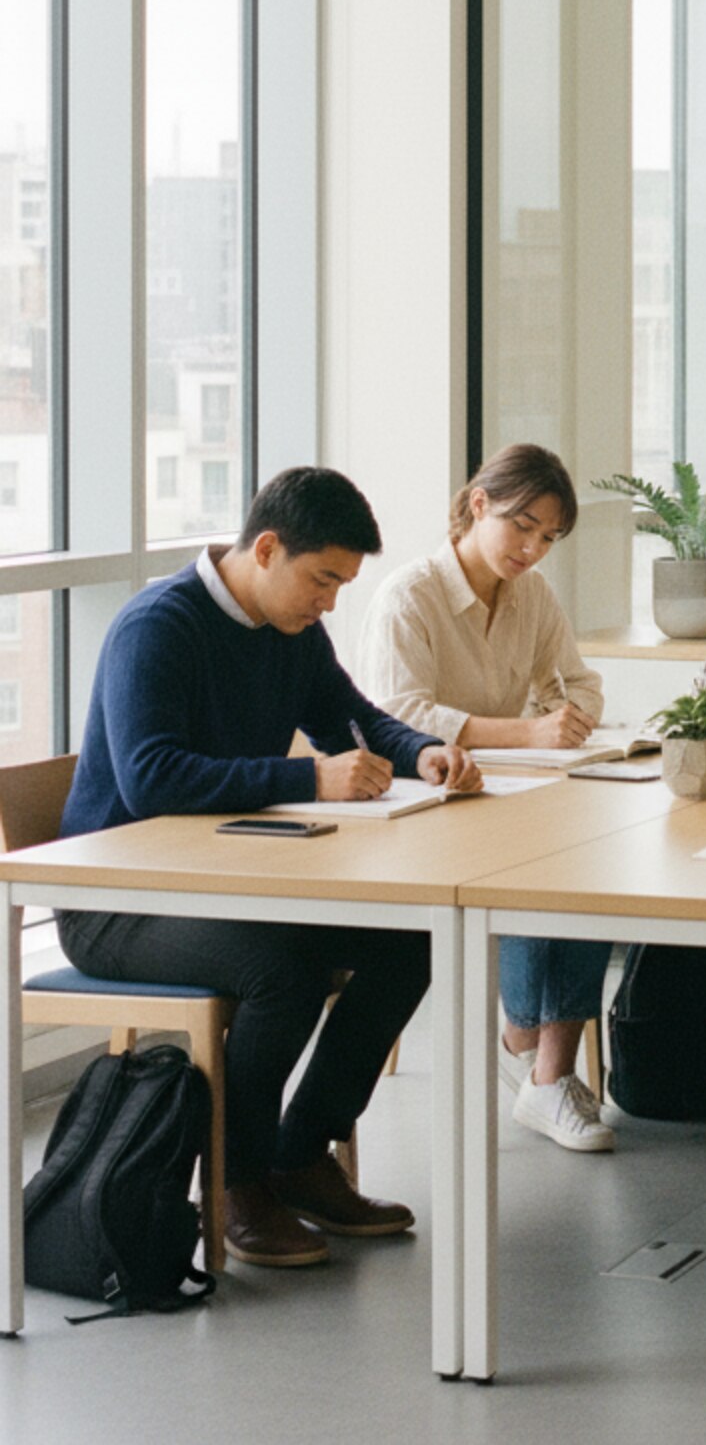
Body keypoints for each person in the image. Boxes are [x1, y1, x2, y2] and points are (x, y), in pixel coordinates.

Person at [55, 467, 481, 1269]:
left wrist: (423, 752)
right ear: (266, 549)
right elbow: (151, 779)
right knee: (281, 971)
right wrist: (309, 779)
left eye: (341, 585)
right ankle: (236, 1181)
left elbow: (353, 720)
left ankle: (299, 1153)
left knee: (408, 941)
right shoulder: (157, 626)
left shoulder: (294, 632)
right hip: (116, 902)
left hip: (223, 883)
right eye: (322, 580)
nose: (330, 603)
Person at [357, 443, 614, 1154]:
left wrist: (567, 715)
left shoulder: (532, 595)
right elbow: (398, 715)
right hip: (417, 805)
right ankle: (531, 1047)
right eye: (522, 526)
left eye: (548, 538)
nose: (532, 549)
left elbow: (580, 683)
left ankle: (545, 1068)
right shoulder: (410, 596)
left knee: (590, 855)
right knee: (537, 860)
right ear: (478, 505)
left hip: (506, 794)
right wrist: (528, 730)